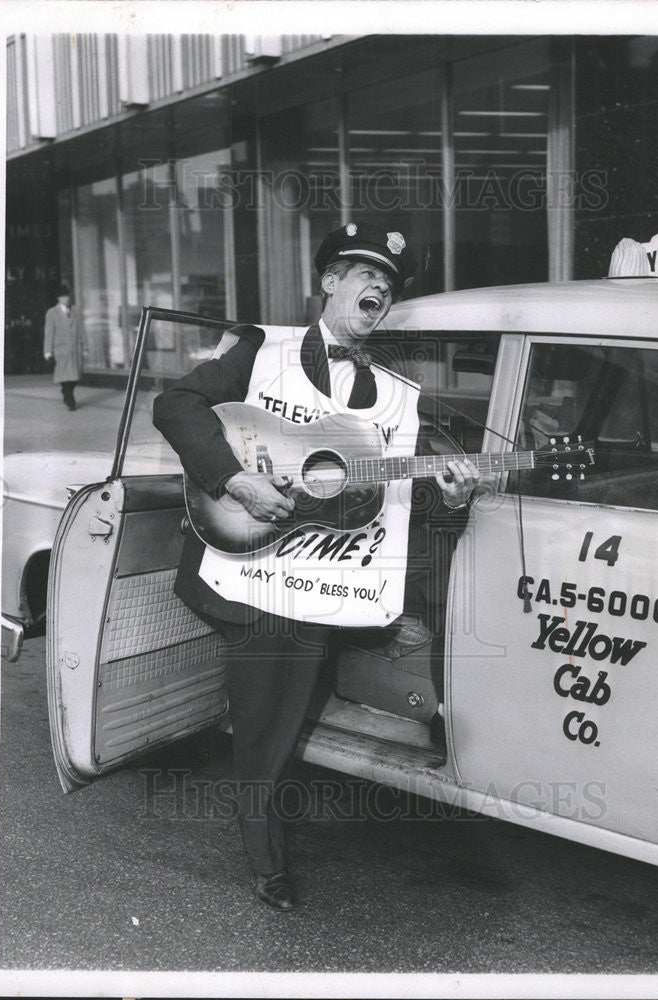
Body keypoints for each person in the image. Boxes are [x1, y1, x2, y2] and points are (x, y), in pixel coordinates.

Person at [153, 223, 479, 911]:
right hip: (253, 575)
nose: (378, 289)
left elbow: (402, 503)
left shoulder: (395, 397)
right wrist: (234, 480)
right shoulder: (260, 348)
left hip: (326, 583)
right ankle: (267, 863)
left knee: (290, 708)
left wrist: (452, 499)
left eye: (388, 285)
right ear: (329, 282)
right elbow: (176, 404)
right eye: (364, 275)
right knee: (268, 722)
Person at [43, 283, 84, 410]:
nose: (67, 298)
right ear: (59, 298)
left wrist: (85, 346)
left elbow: (81, 330)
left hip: (74, 349)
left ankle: (66, 392)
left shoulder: (76, 310)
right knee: (64, 375)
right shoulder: (52, 313)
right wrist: (48, 352)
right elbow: (49, 333)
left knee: (75, 377)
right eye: (64, 296)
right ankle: (69, 398)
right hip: (61, 349)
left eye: (68, 296)